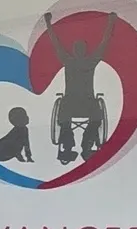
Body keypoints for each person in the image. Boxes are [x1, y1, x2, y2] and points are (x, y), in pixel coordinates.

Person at [45, 10, 116, 161]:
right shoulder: (89, 62)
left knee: (67, 119)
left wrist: (48, 24)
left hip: (72, 103)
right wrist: (111, 22)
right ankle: (86, 147)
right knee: (94, 119)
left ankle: (70, 147)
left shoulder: (69, 61)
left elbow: (56, 43)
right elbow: (104, 42)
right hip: (86, 103)